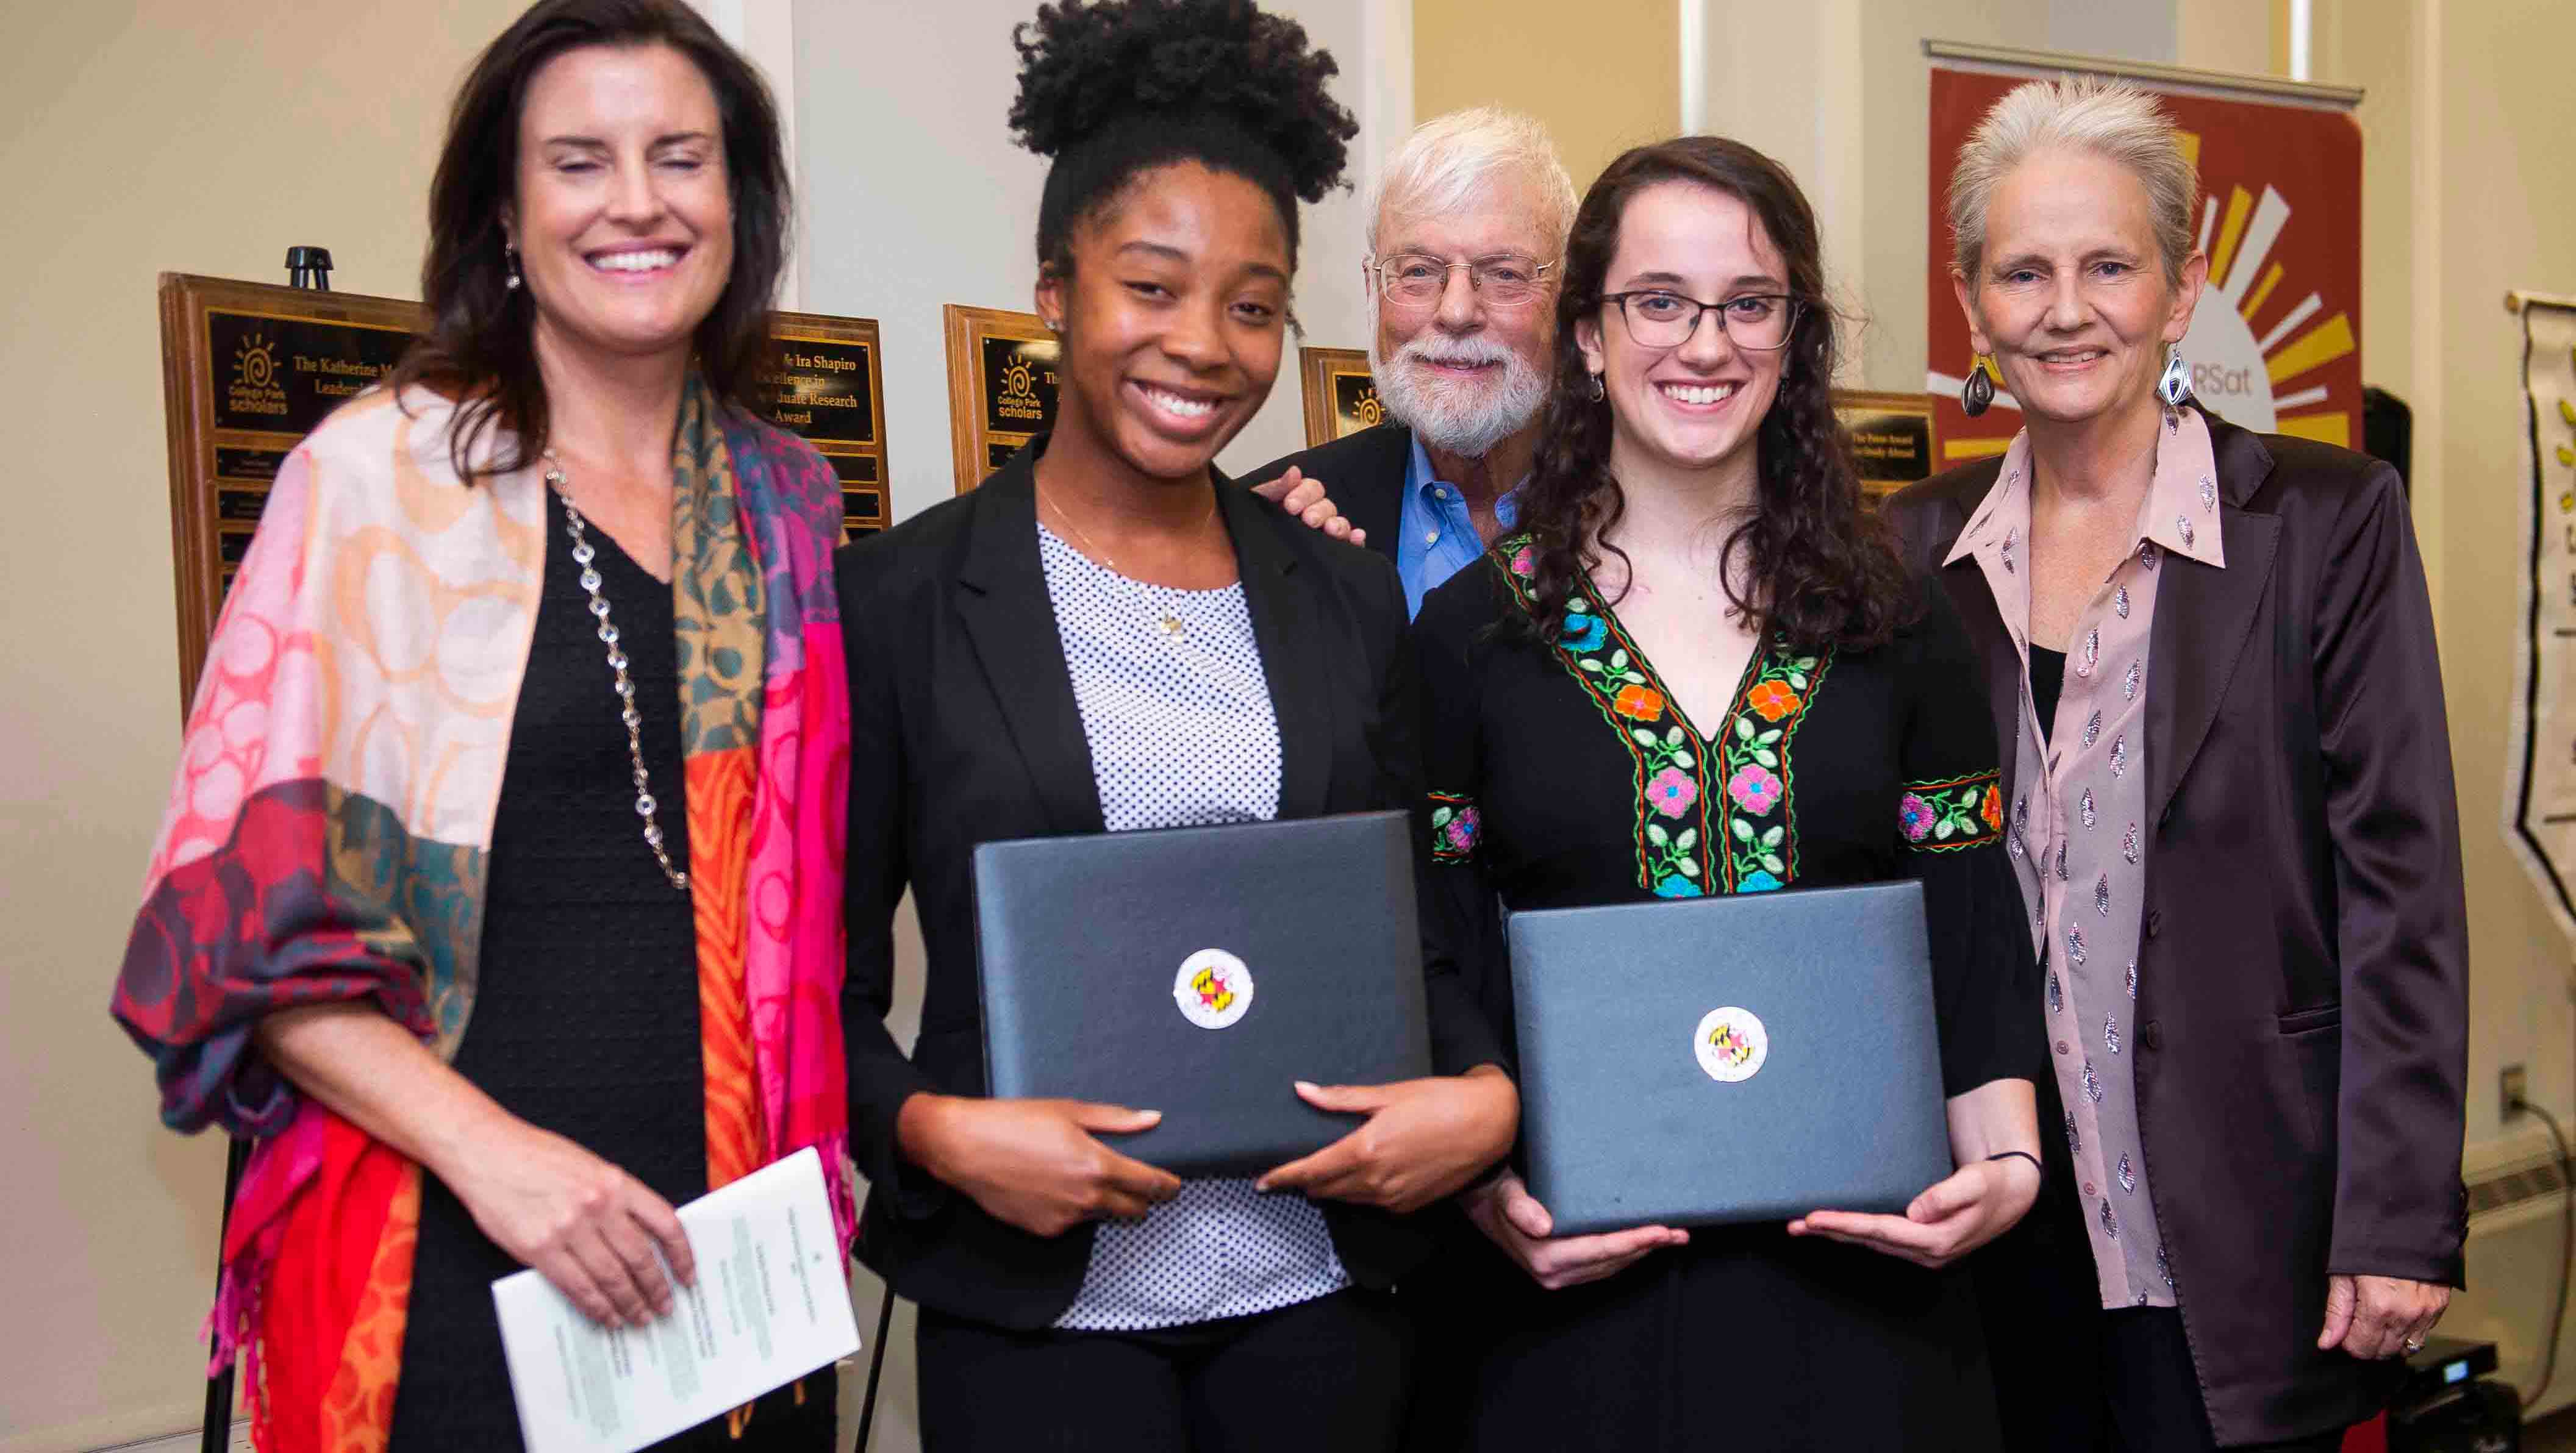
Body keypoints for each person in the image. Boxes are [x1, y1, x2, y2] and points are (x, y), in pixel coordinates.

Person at [109, 2, 851, 1449]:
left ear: (739, 205)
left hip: (735, 1254)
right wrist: (502, 1164)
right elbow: (234, 925)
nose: (636, 201)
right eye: (579, 161)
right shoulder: (379, 483)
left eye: (678, 157)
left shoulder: (788, 503)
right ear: (505, 213)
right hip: (451, 1230)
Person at [832, 3, 1518, 1449]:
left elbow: (1423, 918)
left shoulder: (1339, 593)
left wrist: (1483, 1092)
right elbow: (803, 985)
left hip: (1318, 1292)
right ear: (1052, 289)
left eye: (1253, 304)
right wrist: (930, 1129)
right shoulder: (900, 597)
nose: (1201, 346)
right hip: (1037, 1314)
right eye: (1151, 287)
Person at [1411, 134, 2044, 1451]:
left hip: (1871, 1297)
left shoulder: (1897, 622)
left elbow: (1968, 925)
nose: (1704, 343)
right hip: (1575, 1308)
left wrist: (2010, 1164)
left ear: (1796, 336)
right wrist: (1485, 1193)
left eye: (1749, 305)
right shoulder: (1475, 637)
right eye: (1659, 301)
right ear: (1587, 333)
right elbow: (1437, 946)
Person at [1884, 76, 2470, 1452]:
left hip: (2243, 1220)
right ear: (1974, 305)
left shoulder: (2329, 523)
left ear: (2184, 285)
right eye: (2023, 272)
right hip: (1984, 1226)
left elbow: (2404, 890)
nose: (2066, 308)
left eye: (2109, 265)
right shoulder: (1911, 546)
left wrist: (2397, 1212)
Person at [1240, 108, 1575, 615]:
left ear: (1569, 297)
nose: (1457, 312)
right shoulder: (1280, 530)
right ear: (1373, 288)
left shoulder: (1646, 517)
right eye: (1417, 271)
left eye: (1505, 274)